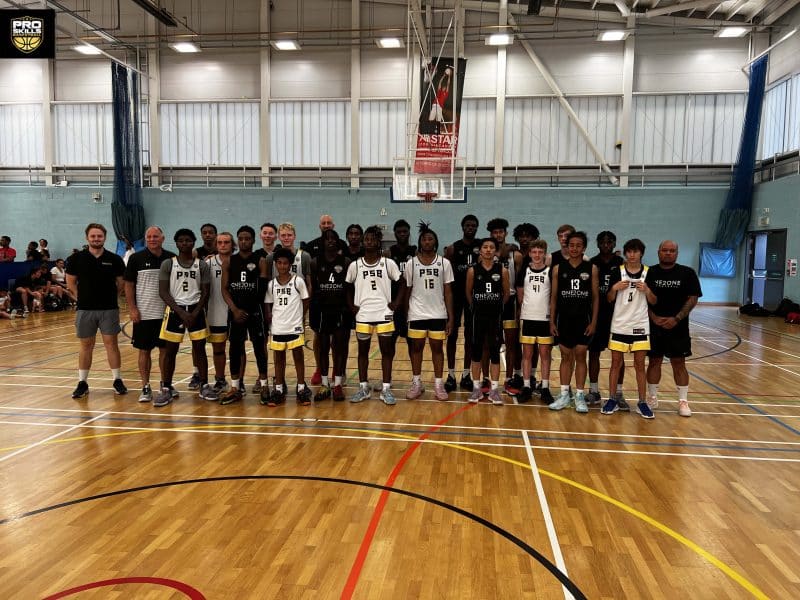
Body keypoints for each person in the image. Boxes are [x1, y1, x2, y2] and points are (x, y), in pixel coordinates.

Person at [153, 229, 216, 407]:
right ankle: (166, 388)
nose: (185, 243)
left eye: (188, 240)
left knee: (200, 349)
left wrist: (195, 312)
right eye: (181, 241)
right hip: (175, 311)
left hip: (196, 310)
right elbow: (163, 291)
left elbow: (206, 292)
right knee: (170, 350)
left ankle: (204, 384)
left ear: (194, 242)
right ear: (176, 243)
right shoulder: (168, 264)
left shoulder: (201, 265)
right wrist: (181, 312)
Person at [65, 223, 127, 399]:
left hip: (109, 309)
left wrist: (112, 296)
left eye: (99, 236)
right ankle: (82, 383)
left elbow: (121, 283)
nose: (96, 239)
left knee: (111, 344)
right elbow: (70, 283)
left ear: (104, 238)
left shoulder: (114, 259)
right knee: (86, 346)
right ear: (87, 238)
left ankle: (117, 380)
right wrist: (82, 299)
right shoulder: (76, 259)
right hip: (85, 310)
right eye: (93, 236)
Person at [601, 239, 657, 419]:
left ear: (641, 253)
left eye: (636, 251)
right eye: (629, 252)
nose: (632, 255)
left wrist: (647, 291)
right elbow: (609, 298)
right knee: (615, 364)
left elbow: (654, 301)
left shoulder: (649, 273)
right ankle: (612, 399)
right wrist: (614, 288)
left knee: (640, 365)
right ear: (625, 253)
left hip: (640, 325)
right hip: (619, 324)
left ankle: (642, 402)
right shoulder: (617, 272)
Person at [346, 225, 403, 405]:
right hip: (363, 314)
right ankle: (363, 387)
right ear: (363, 242)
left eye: (372, 239)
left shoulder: (388, 263)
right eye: (366, 239)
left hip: (384, 313)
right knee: (362, 352)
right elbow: (347, 287)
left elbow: (402, 283)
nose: (369, 241)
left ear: (379, 241)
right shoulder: (355, 265)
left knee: (386, 352)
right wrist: (352, 306)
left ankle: (386, 388)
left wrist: (396, 304)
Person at [646, 240, 702, 417]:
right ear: (658, 252)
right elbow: (642, 298)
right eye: (665, 250)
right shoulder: (650, 272)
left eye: (672, 251)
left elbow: (692, 298)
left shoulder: (687, 273)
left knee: (679, 363)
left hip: (678, 327)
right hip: (654, 326)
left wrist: (676, 318)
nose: (668, 253)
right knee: (654, 361)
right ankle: (652, 397)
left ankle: (683, 401)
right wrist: (653, 317)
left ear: (677, 253)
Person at [123, 225, 176, 403]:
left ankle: (165, 384)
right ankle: (145, 386)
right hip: (144, 313)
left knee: (165, 351)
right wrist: (132, 309)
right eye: (149, 237)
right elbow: (128, 285)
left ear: (162, 238)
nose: (152, 239)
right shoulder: (136, 258)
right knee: (144, 351)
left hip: (166, 313)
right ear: (146, 239)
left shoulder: (171, 258)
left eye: (156, 236)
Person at [402, 222, 454, 401]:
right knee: (416, 348)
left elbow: (448, 291)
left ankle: (438, 384)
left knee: (437, 349)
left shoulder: (444, 263)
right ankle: (417, 382)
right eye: (424, 239)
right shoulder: (411, 264)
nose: (427, 241)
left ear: (435, 242)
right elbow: (407, 290)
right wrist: (405, 313)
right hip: (416, 313)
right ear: (420, 242)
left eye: (430, 239)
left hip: (438, 313)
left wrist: (450, 316)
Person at [218, 226, 270, 405]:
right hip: (236, 313)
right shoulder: (229, 262)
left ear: (253, 240)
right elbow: (224, 289)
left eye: (247, 238)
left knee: (259, 349)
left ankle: (264, 385)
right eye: (240, 238)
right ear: (237, 241)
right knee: (235, 349)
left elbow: (263, 289)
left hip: (255, 312)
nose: (244, 241)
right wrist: (234, 309)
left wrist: (251, 308)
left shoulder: (261, 260)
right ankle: (235, 387)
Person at [548, 231, 599, 413]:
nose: (575, 248)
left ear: (584, 248)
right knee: (565, 357)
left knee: (580, 355)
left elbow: (595, 298)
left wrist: (593, 322)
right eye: (572, 245)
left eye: (579, 245)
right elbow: (553, 298)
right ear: (567, 247)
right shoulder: (557, 269)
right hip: (564, 321)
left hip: (583, 320)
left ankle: (579, 396)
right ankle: (563, 395)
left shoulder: (591, 268)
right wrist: (552, 321)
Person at [265, 247, 311, 406]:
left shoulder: (298, 281)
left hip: (295, 325)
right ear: (276, 264)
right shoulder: (271, 284)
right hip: (278, 326)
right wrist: (270, 318)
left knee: (298, 357)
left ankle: (301, 389)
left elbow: (306, 300)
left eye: (285, 263)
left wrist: (300, 317)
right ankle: (278, 389)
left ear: (290, 264)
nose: (282, 266)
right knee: (278, 358)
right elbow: (268, 304)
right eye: (279, 263)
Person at [309, 229, 351, 402]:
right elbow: (313, 287)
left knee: (339, 348)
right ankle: (325, 384)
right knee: (324, 347)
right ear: (323, 242)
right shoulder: (314, 262)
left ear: (338, 241)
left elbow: (349, 288)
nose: (331, 241)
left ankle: (338, 384)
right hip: (322, 310)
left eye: (334, 238)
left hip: (340, 310)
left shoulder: (346, 262)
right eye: (327, 239)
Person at [466, 237, 509, 405]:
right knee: (476, 352)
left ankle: (494, 390)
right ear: (480, 250)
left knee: (494, 353)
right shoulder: (473, 271)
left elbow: (506, 293)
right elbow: (468, 293)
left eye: (492, 247)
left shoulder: (502, 270)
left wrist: (496, 306)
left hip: (495, 317)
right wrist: (476, 306)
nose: (489, 250)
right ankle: (477, 388)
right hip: (478, 317)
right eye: (485, 247)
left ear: (496, 251)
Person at [303, 215, 345, 386]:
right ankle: (320, 369)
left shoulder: (342, 247)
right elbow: (310, 280)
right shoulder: (311, 249)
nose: (326, 226)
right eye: (323, 223)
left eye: (329, 223)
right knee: (319, 338)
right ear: (319, 226)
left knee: (337, 340)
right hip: (319, 304)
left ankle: (336, 371)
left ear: (333, 225)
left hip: (338, 303)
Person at [443, 214, 481, 392]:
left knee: (470, 337)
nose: (470, 228)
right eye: (467, 225)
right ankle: (450, 374)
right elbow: (447, 276)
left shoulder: (481, 247)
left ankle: (466, 374)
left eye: (473, 225)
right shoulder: (452, 249)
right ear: (462, 227)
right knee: (452, 336)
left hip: (474, 298)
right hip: (456, 297)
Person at [588, 231, 625, 407]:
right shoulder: (592, 263)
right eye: (602, 242)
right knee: (594, 353)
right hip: (597, 314)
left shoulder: (621, 264)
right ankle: (594, 391)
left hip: (618, 315)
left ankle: (618, 393)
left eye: (609, 242)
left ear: (614, 243)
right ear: (597, 244)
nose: (606, 244)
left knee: (619, 356)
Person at [487, 218, 524, 396]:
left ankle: (509, 379)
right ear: (490, 234)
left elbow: (519, 282)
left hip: (509, 302)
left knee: (511, 344)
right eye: (495, 232)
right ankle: (487, 379)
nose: (498, 234)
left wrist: (519, 307)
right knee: (489, 342)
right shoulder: (486, 252)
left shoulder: (515, 255)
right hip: (490, 302)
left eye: (501, 231)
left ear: (505, 233)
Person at [516, 239, 554, 404]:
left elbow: (553, 295)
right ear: (530, 253)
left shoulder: (550, 272)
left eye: (540, 252)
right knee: (527, 354)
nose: (537, 255)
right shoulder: (524, 270)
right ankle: (526, 387)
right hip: (528, 317)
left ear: (544, 253)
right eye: (534, 252)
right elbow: (520, 294)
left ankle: (545, 387)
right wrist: (524, 311)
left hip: (545, 318)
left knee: (545, 354)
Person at [204, 231, 234, 395]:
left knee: (238, 349)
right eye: (220, 242)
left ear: (232, 245)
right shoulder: (207, 264)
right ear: (216, 245)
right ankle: (220, 379)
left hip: (235, 313)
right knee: (218, 349)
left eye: (226, 242)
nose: (223, 245)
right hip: (216, 313)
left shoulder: (238, 262)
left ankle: (239, 381)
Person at [513, 223, 541, 388]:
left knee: (535, 343)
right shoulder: (513, 254)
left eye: (528, 236)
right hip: (516, 302)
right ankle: (517, 374)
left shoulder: (539, 257)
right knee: (517, 342)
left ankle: (532, 375)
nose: (524, 239)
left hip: (536, 306)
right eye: (521, 236)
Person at [386, 219, 416, 355]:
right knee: (390, 342)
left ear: (409, 233)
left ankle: (416, 376)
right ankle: (388, 376)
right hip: (393, 302)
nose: (402, 234)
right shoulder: (388, 253)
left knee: (412, 342)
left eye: (405, 231)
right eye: (399, 232)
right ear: (395, 234)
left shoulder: (415, 252)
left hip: (411, 303)